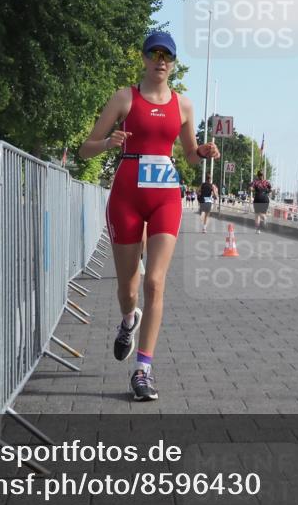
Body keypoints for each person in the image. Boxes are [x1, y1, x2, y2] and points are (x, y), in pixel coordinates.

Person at [78, 31, 219, 401]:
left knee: (155, 282)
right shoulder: (125, 98)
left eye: (167, 56)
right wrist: (107, 143)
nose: (161, 61)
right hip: (126, 197)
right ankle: (128, 320)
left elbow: (187, 155)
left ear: (173, 63)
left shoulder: (184, 106)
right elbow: (83, 149)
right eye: (154, 54)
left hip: (165, 197)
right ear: (143, 58)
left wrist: (201, 152)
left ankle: (143, 370)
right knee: (129, 288)